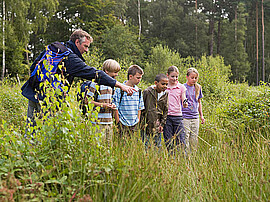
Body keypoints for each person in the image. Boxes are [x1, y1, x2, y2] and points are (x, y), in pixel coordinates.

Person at [21, 29, 135, 131]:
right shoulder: (70, 57)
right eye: (85, 46)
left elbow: (34, 66)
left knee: (31, 129)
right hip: (50, 100)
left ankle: (27, 152)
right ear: (77, 42)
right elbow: (94, 73)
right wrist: (119, 85)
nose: (86, 50)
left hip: (34, 92)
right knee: (46, 132)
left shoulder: (55, 48)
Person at [79, 59, 120, 146]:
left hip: (108, 122)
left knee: (108, 147)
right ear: (106, 71)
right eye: (114, 72)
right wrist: (103, 105)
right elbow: (87, 101)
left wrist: (111, 106)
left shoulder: (112, 87)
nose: (116, 75)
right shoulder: (96, 84)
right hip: (97, 123)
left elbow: (110, 100)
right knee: (97, 147)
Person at [113, 65, 145, 139]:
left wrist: (138, 120)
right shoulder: (119, 90)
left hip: (134, 124)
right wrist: (118, 122)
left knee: (131, 144)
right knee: (121, 144)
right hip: (122, 123)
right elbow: (115, 107)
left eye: (140, 78)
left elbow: (139, 107)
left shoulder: (138, 91)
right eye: (138, 78)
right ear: (130, 76)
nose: (139, 80)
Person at [163, 66, 188, 155]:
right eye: (172, 76)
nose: (175, 79)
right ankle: (171, 158)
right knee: (168, 140)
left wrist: (185, 103)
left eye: (176, 76)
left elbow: (184, 98)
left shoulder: (181, 87)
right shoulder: (164, 87)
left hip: (178, 116)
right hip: (167, 117)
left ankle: (183, 158)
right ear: (167, 75)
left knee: (181, 139)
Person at [141, 74, 168, 149]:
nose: (165, 86)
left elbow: (166, 110)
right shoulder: (147, 92)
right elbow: (141, 107)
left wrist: (162, 124)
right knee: (145, 145)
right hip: (146, 124)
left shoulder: (165, 94)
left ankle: (157, 160)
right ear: (156, 83)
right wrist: (142, 123)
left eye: (166, 84)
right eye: (163, 84)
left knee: (158, 146)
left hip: (157, 125)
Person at [182, 68, 205, 153]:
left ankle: (193, 157)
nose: (194, 80)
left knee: (194, 138)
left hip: (195, 117)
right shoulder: (183, 87)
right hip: (185, 117)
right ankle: (186, 157)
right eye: (192, 78)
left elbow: (199, 102)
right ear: (187, 77)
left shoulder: (198, 87)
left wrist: (201, 115)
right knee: (185, 137)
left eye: (196, 78)